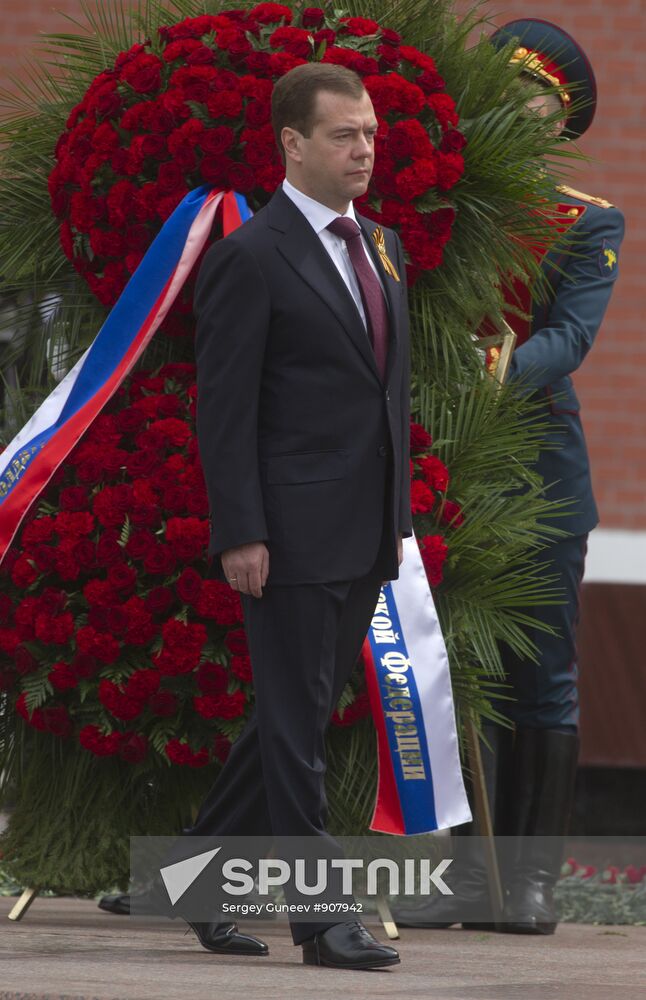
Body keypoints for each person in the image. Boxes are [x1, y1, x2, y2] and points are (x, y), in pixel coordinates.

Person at [395, 19, 624, 935]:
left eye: (534, 104)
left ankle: (526, 885)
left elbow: (568, 341)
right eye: (500, 97)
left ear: (560, 121)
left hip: (537, 476)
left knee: (542, 679)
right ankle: (464, 874)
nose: (514, 116)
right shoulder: (438, 208)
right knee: (457, 674)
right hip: (440, 469)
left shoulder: (585, 218)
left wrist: (482, 368)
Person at [183, 62, 411, 969]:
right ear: (291, 144)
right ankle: (322, 920)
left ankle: (194, 883)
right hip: (285, 535)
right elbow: (224, 409)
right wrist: (241, 530)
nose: (363, 149)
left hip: (364, 528)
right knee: (293, 720)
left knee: (294, 712)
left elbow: (380, 391)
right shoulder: (251, 256)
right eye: (343, 135)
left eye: (369, 133)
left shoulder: (382, 244)